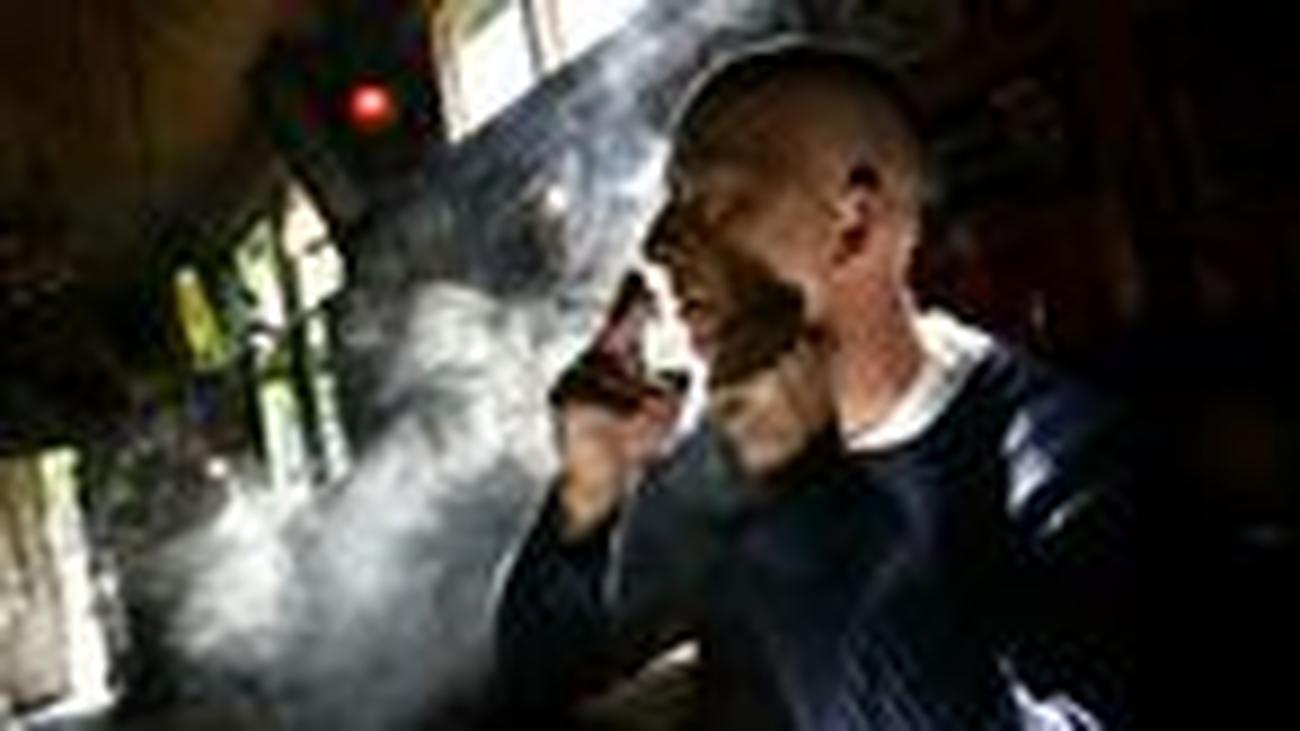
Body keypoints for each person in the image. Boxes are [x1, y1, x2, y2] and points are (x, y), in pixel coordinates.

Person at [490, 40, 1152, 730]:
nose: (657, 244)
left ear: (853, 224)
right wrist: (587, 504)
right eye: (669, 204)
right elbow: (549, 704)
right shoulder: (713, 458)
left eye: (713, 200)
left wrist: (808, 492)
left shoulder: (1069, 470)